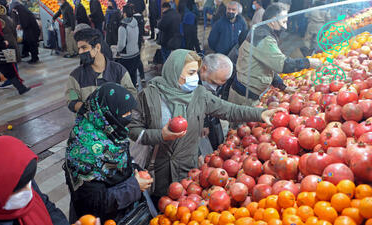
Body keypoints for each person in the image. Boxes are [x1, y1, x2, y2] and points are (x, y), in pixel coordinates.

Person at [128, 49, 286, 198]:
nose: (195, 78)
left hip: (186, 170)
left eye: (195, 73)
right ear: (174, 71)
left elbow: (229, 110)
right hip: (158, 169)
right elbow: (133, 130)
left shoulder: (199, 95)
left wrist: (259, 113)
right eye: (190, 73)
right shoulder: (148, 96)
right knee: (161, 206)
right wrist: (160, 135)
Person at [65, 83, 153, 222]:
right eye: (124, 113)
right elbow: (92, 203)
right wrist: (134, 186)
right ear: (106, 113)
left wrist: (136, 171)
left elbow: (121, 165)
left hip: (124, 214)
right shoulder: (84, 152)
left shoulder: (111, 131)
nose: (128, 117)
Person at [227, 4, 322, 126]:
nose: (286, 26)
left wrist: (282, 86)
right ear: (272, 21)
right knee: (238, 130)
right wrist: (308, 62)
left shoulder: (263, 32)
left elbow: (268, 64)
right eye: (283, 22)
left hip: (248, 93)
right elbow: (282, 65)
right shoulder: (264, 38)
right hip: (244, 97)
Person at [0, 135, 69, 225]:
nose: (28, 192)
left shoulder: (20, 179)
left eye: (29, 183)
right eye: (17, 190)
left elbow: (47, 207)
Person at [66, 28, 137, 114]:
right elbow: (71, 101)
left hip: (116, 123)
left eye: (84, 48)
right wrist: (88, 108)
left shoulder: (119, 71)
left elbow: (132, 94)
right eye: (79, 48)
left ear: (97, 47)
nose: (80, 52)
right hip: (89, 125)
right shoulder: (75, 76)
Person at [0, 19, 30, 100]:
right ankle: (21, 89)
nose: (2, 28)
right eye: (1, 26)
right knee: (11, 74)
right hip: (0, 58)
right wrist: (5, 43)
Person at [199, 54, 233, 150]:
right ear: (203, 69)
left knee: (218, 140)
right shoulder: (190, 82)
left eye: (220, 84)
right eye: (213, 82)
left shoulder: (223, 74)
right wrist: (204, 124)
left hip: (213, 114)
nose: (215, 87)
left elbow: (224, 91)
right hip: (198, 115)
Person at [0, 4, 23, 89]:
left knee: (9, 63)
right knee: (13, 62)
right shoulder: (9, 18)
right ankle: (15, 79)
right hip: (12, 42)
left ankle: (12, 80)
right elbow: (14, 31)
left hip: (6, 43)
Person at [116, 4, 141, 87]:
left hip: (127, 57)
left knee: (125, 78)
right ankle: (134, 93)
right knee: (133, 76)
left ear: (124, 14)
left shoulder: (123, 27)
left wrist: (117, 50)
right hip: (136, 53)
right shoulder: (135, 23)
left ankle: (127, 96)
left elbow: (121, 44)